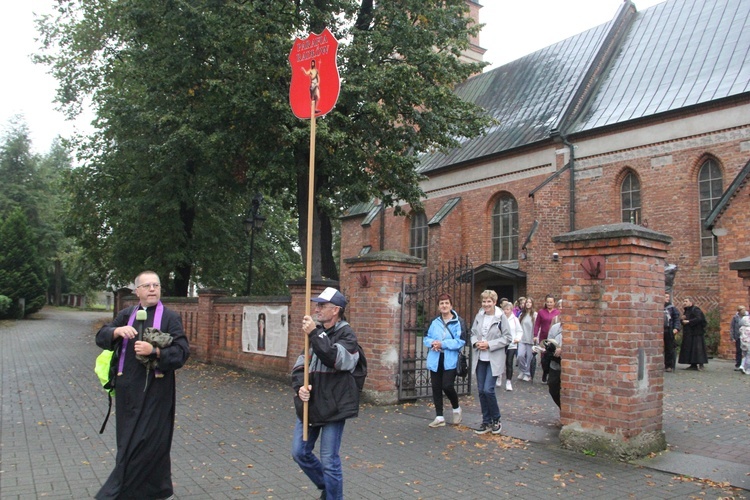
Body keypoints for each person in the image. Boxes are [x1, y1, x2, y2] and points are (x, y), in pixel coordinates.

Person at [95, 271, 190, 500]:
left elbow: (182, 352)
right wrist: (117, 331)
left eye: (155, 285)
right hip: (128, 391)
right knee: (128, 441)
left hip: (157, 392)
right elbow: (101, 336)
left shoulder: (169, 317)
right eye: (146, 286)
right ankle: (154, 490)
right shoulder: (127, 314)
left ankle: (119, 493)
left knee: (148, 443)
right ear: (137, 291)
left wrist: (155, 351)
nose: (152, 289)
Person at [292, 287, 360, 500]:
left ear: (336, 310)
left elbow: (336, 359)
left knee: (329, 460)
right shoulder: (314, 333)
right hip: (311, 404)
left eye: (322, 305)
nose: (317, 309)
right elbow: (300, 366)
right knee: (299, 452)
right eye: (317, 304)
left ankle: (333, 496)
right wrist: (300, 387)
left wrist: (314, 333)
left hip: (334, 406)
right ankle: (329, 488)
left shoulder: (347, 335)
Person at [470, 290, 511, 435]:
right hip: (480, 358)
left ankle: (496, 419)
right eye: (484, 301)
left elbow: (507, 338)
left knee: (488, 389)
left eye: (489, 301)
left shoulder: (501, 317)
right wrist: (476, 343)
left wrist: (489, 344)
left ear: (494, 302)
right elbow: (473, 333)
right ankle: (486, 421)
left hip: (494, 358)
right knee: (481, 391)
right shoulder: (479, 316)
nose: (486, 304)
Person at [423, 293, 465, 428]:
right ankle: (439, 416)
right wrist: (433, 343)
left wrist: (443, 344)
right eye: (441, 303)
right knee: (436, 387)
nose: (444, 306)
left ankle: (456, 407)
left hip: (450, 359)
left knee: (447, 385)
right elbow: (426, 337)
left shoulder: (459, 322)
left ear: (451, 305)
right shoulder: (434, 322)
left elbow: (460, 341)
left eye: (446, 303)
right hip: (435, 358)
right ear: (438, 306)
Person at [533, 294, 560, 383]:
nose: (549, 304)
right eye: (548, 302)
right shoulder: (541, 312)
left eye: (551, 302)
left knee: (552, 355)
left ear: (554, 303)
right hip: (543, 337)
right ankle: (545, 372)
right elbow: (537, 324)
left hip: (554, 337)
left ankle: (551, 374)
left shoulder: (557, 312)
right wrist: (535, 335)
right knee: (544, 356)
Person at [678, 297, 708, 371]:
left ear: (691, 302)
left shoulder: (696, 309)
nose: (684, 303)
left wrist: (689, 321)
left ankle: (701, 364)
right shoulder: (687, 311)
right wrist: (682, 320)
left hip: (696, 333)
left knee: (698, 349)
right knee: (690, 349)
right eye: (684, 301)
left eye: (686, 301)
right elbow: (683, 321)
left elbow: (699, 319)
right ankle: (693, 364)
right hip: (689, 333)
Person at [501, 300, 522, 391]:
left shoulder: (515, 319)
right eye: (505, 309)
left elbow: (519, 331)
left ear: (511, 310)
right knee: (500, 362)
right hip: (501, 344)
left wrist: (517, 338)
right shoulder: (500, 319)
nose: (506, 311)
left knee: (509, 362)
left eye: (508, 309)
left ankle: (508, 381)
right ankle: (498, 377)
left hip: (512, 344)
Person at [543, 315, 563, 408]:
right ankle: (562, 408)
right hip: (554, 362)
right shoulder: (555, 328)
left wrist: (562, 349)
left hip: (565, 362)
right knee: (553, 388)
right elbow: (549, 341)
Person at [517, 297, 537, 382]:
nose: (528, 304)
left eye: (530, 302)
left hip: (531, 338)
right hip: (522, 338)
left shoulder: (535, 315)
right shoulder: (522, 314)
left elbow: (537, 327)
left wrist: (536, 337)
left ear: (532, 304)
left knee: (529, 357)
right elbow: (518, 326)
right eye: (527, 302)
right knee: (520, 356)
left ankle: (527, 373)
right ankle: (522, 370)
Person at [663, 292, 680, 372]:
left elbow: (676, 318)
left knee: (669, 348)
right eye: (666, 296)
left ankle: (669, 365)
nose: (667, 298)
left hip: (668, 329)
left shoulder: (672, 308)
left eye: (668, 297)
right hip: (659, 329)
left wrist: (676, 328)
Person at [730, 306, 748, 371]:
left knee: (746, 351)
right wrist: (732, 337)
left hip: (746, 336)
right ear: (739, 311)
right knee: (739, 351)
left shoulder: (747, 317)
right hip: (738, 336)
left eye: (744, 310)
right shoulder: (735, 318)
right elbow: (732, 327)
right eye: (743, 310)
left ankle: (745, 365)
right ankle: (738, 364)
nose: (744, 311)